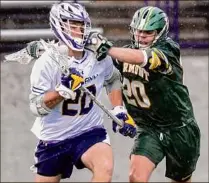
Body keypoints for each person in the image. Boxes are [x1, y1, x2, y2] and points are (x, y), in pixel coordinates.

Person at [85, 6, 201, 183]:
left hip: (179, 128)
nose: (140, 36)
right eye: (138, 31)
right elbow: (111, 77)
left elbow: (142, 58)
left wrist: (107, 48)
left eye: (147, 32)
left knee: (181, 180)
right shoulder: (126, 52)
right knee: (136, 177)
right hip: (149, 128)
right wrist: (119, 109)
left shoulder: (168, 50)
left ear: (160, 33)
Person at [27, 2, 136, 182]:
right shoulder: (46, 62)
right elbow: (36, 107)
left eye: (81, 26)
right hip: (54, 139)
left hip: (89, 131)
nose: (79, 31)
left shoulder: (97, 55)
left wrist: (119, 109)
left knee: (105, 168)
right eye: (73, 25)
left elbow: (113, 78)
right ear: (59, 25)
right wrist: (62, 91)